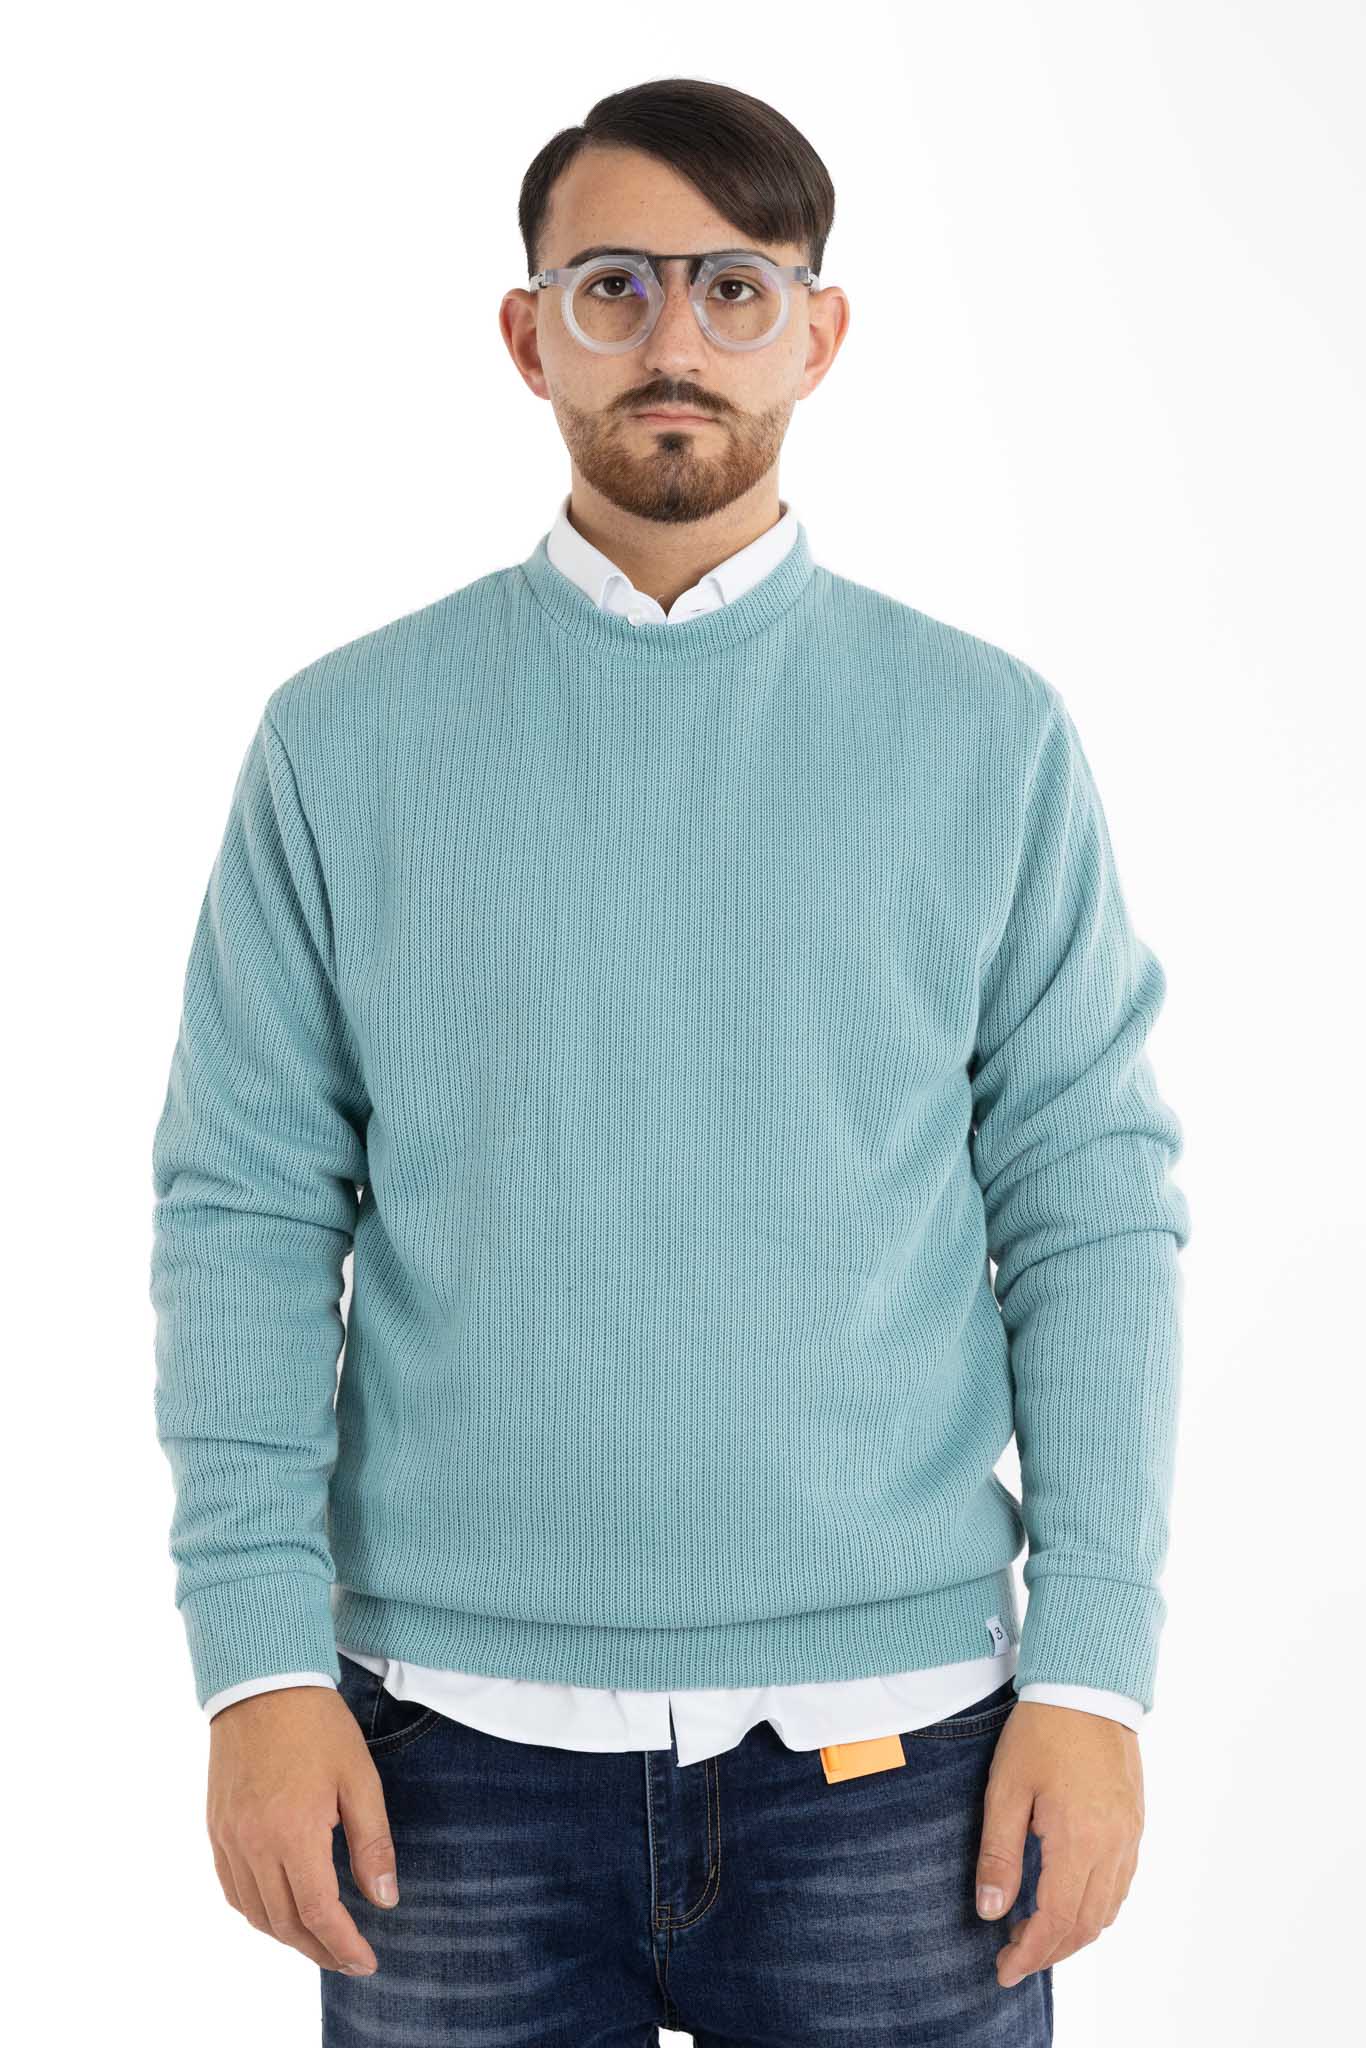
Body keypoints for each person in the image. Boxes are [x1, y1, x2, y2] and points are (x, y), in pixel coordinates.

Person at [149, 76, 1190, 2047]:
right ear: (527, 331)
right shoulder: (344, 742)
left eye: (733, 285)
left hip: (901, 1758)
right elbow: (244, 1211)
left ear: (817, 330)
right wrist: (256, 1666)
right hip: (440, 1757)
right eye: (612, 285)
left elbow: (1091, 1211)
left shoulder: (982, 737)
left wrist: (1092, 1673)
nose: (673, 338)